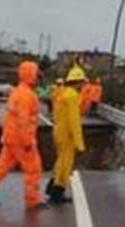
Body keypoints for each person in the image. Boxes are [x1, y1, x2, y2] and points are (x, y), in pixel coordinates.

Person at [0, 61, 47, 211]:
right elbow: (23, 120)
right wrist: (27, 142)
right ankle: (32, 200)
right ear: (32, 75)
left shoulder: (17, 92)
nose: (38, 78)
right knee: (33, 169)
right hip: (21, 140)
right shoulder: (27, 95)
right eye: (36, 75)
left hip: (10, 138)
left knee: (0, 168)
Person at [47, 66, 87, 205]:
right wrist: (79, 143)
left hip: (59, 132)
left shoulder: (62, 93)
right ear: (77, 81)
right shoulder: (72, 96)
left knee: (60, 162)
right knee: (66, 164)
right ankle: (57, 194)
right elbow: (74, 121)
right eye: (82, 82)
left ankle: (52, 189)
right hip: (67, 135)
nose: (83, 85)